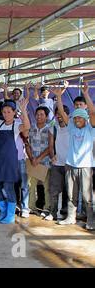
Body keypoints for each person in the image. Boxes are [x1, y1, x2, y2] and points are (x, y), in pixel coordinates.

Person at [57, 82, 94, 230]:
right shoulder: (71, 127)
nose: (77, 120)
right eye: (76, 118)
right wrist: (59, 96)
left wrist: (86, 94)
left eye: (80, 118)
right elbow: (62, 113)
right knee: (71, 194)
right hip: (71, 164)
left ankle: (91, 220)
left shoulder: (91, 129)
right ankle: (71, 217)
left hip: (85, 166)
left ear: (85, 119)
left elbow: (92, 113)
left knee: (87, 196)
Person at [0, 98, 30, 224]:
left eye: (9, 111)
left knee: (9, 188)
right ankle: (3, 210)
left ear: (14, 113)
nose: (6, 114)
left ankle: (10, 214)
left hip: (10, 162)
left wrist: (23, 111)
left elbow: (27, 126)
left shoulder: (16, 125)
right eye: (4, 112)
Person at [48, 84, 70, 221]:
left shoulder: (72, 126)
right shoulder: (53, 127)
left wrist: (59, 96)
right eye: (58, 115)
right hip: (57, 163)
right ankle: (53, 212)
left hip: (70, 163)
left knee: (69, 191)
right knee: (54, 189)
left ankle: (67, 212)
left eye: (62, 115)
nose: (59, 117)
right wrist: (52, 156)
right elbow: (50, 145)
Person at [25, 106, 52, 216]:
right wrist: (32, 158)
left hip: (45, 163)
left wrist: (38, 159)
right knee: (30, 186)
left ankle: (47, 208)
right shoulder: (31, 128)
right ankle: (31, 207)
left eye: (42, 114)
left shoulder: (50, 129)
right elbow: (27, 144)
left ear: (46, 117)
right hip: (32, 163)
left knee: (47, 187)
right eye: (37, 114)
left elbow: (50, 147)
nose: (39, 116)